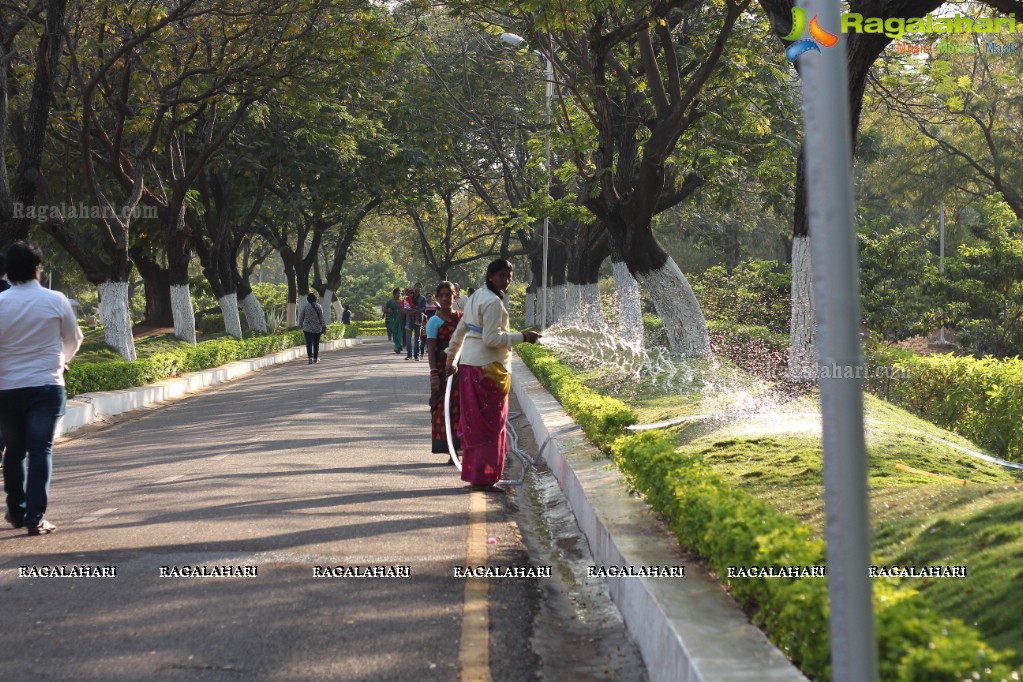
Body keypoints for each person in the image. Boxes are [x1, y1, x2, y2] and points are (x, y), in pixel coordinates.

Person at [0, 241, 84, 535]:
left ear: (8, 272)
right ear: (37, 269)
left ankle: (16, 509)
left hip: (7, 389)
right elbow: (74, 338)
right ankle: (35, 518)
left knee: (13, 450)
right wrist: (61, 361)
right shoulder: (56, 299)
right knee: (40, 450)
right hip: (46, 387)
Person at [446, 259, 540, 490]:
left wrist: (451, 356)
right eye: (501, 276)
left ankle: (477, 474)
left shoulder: (477, 296)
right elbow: (492, 339)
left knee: (475, 423)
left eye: (509, 275)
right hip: (487, 369)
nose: (506, 280)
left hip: (470, 366)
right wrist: (523, 337)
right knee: (489, 425)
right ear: (490, 276)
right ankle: (486, 477)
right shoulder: (492, 303)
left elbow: (462, 329)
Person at [427, 282, 463, 459]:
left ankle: (464, 447)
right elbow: (431, 349)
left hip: (462, 369)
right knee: (445, 409)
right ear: (437, 298)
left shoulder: (463, 319)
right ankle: (451, 450)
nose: (444, 298)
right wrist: (434, 374)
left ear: (455, 296)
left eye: (448, 295)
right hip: (443, 370)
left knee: (463, 408)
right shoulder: (434, 321)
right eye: (441, 295)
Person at [297, 292, 326, 364]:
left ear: (308, 299)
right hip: (317, 328)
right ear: (315, 299)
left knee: (309, 343)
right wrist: (324, 326)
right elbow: (321, 317)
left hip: (307, 328)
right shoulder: (319, 306)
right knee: (316, 343)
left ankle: (310, 358)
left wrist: (300, 325)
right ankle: (315, 358)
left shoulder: (305, 306)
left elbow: (301, 317)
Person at [404, 284, 426, 361]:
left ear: (421, 288)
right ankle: (409, 355)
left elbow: (424, 309)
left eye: (419, 286)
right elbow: (405, 308)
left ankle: (416, 355)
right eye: (416, 286)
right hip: (409, 319)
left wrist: (416, 312)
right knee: (408, 338)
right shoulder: (408, 298)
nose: (418, 288)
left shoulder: (423, 298)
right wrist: (410, 312)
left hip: (418, 319)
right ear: (413, 288)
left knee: (417, 339)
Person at [384, 288, 404, 353]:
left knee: (400, 333)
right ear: (394, 294)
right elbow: (385, 309)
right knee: (395, 333)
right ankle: (397, 346)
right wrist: (388, 310)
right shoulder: (390, 302)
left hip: (401, 319)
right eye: (397, 293)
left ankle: (399, 346)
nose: (399, 294)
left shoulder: (402, 301)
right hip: (393, 319)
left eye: (399, 293)